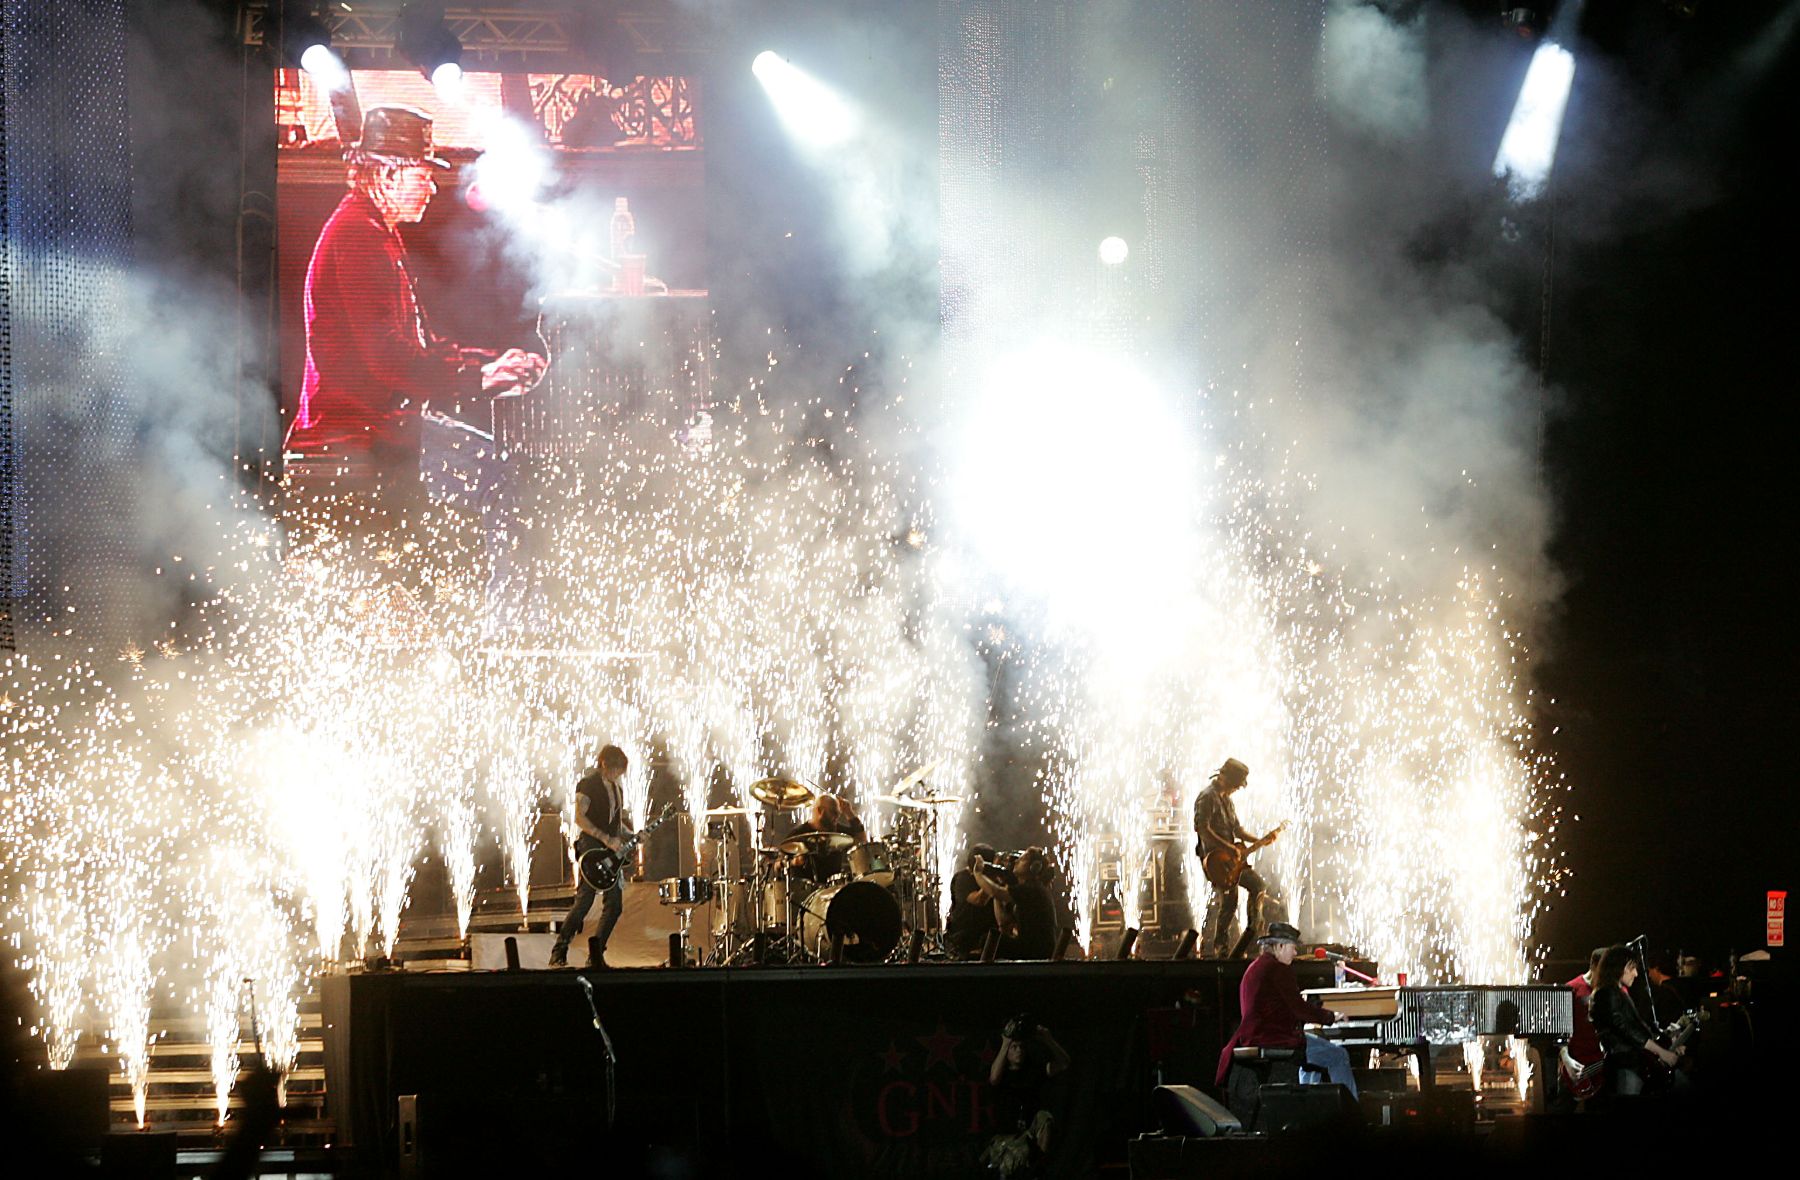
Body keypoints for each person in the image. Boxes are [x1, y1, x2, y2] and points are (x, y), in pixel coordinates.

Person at [287, 105, 545, 486]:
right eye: (423, 175)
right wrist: (478, 377)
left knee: (502, 472)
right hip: (351, 439)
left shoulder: (375, 230)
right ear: (389, 176)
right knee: (503, 477)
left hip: (376, 431)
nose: (433, 188)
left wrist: (491, 361)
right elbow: (387, 357)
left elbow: (415, 344)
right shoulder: (358, 236)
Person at [1215, 922, 1357, 1097]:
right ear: (1280, 946)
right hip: (1273, 1037)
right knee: (1338, 1055)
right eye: (1293, 948)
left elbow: (1282, 1007)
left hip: (1254, 1036)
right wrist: (1330, 1017)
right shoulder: (1278, 969)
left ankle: (1310, 1110)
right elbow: (1298, 1008)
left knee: (1314, 1057)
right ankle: (1352, 1114)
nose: (1295, 953)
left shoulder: (1256, 967)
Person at [549, 744, 633, 968]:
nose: (618, 775)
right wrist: (605, 839)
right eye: (616, 770)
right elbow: (580, 818)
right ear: (605, 764)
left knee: (614, 904)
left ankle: (595, 954)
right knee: (585, 899)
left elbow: (615, 824)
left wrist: (631, 835)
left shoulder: (617, 790)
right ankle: (559, 950)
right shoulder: (588, 784)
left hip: (609, 851)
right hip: (591, 848)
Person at [1192, 758, 1280, 958]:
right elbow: (1202, 829)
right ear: (1224, 778)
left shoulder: (1227, 801)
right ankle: (1221, 949)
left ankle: (1252, 938)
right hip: (1215, 861)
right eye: (1235, 785)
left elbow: (1237, 829)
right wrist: (1228, 847)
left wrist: (1260, 840)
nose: (1236, 790)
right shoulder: (1206, 798)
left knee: (1256, 887)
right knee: (1230, 901)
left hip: (1232, 858)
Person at [982, 1014, 1070, 1179]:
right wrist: (1006, 1041)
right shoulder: (1002, 1073)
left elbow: (1064, 1063)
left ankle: (1039, 1169)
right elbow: (994, 1079)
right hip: (1007, 1141)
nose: (1018, 1051)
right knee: (1009, 1168)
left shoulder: (1033, 1069)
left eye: (1021, 1047)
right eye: (1014, 1047)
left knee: (1045, 1118)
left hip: (1029, 1135)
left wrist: (1048, 1039)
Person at [1589, 944, 1681, 1097]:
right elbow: (1627, 1030)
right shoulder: (1606, 994)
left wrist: (1667, 1042)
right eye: (1631, 968)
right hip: (1625, 1065)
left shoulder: (1617, 992)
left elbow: (1637, 1027)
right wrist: (1662, 1052)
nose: (1636, 974)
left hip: (1633, 1064)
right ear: (1618, 968)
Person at [973, 847, 1057, 961]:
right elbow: (1003, 922)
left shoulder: (1032, 888)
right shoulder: (1031, 888)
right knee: (989, 940)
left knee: (986, 941)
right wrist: (998, 890)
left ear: (1034, 868)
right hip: (1034, 947)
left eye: (1022, 860)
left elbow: (995, 892)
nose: (1016, 861)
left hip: (1035, 950)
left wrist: (978, 874)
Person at [782, 793, 866, 879]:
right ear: (820, 811)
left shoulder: (838, 830)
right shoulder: (798, 834)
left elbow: (861, 842)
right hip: (806, 890)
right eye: (833, 812)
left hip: (835, 887)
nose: (837, 816)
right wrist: (793, 862)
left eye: (838, 813)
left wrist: (849, 813)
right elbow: (777, 865)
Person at [946, 843, 1002, 959]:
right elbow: (979, 900)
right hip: (966, 936)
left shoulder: (990, 878)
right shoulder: (962, 878)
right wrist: (991, 876)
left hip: (987, 935)